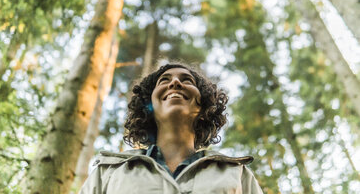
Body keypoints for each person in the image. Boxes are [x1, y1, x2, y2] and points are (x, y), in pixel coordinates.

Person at [80, 63, 263, 194]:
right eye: (164, 81)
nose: (175, 83)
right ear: (149, 105)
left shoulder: (237, 173)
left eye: (187, 80)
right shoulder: (109, 171)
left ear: (203, 106)